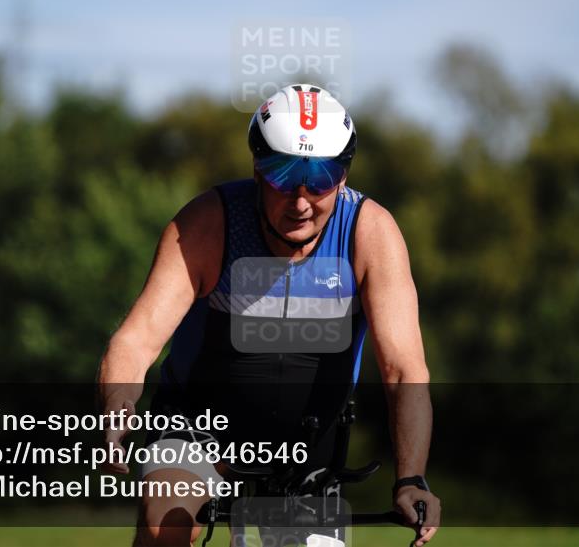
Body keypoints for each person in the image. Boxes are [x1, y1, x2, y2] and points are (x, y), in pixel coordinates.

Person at [97, 84, 440, 546]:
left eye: (319, 179)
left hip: (309, 446)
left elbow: (404, 370)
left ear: (342, 177)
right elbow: (136, 340)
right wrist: (118, 408)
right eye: (283, 175)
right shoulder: (208, 224)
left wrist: (411, 479)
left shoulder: (370, 233)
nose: (300, 201)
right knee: (167, 521)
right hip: (199, 426)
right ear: (258, 169)